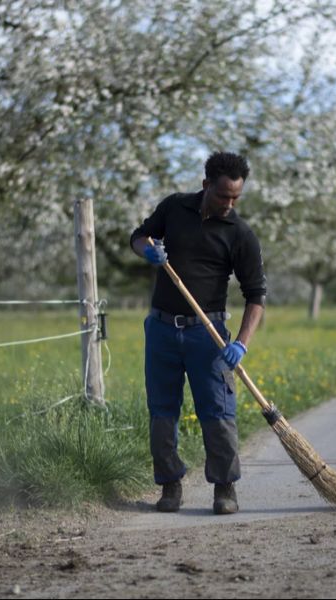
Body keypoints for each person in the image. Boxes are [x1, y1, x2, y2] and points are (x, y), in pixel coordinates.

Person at [130, 151, 266, 515]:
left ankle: (225, 488)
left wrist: (240, 343)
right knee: (162, 412)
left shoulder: (240, 234)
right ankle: (170, 485)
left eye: (236, 197)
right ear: (206, 185)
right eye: (224, 195)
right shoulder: (174, 208)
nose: (230, 203)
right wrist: (149, 251)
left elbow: (256, 297)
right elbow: (138, 236)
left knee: (218, 412)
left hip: (208, 335)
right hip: (161, 329)